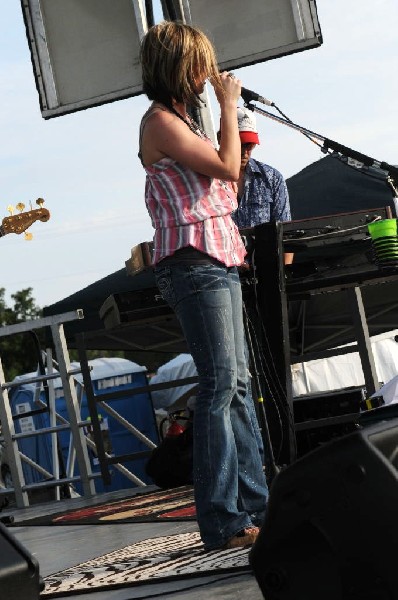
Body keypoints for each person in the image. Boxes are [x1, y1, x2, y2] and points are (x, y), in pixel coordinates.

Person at [138, 21, 268, 551]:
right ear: (180, 67)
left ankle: (257, 508)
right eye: (199, 64)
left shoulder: (185, 118)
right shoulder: (160, 122)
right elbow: (226, 169)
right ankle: (221, 520)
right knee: (219, 387)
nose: (207, 74)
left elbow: (226, 182)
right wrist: (230, 106)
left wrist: (222, 115)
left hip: (218, 255)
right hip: (194, 262)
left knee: (236, 386)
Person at [232, 106, 294, 264]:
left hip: (268, 269)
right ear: (222, 138)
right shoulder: (209, 179)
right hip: (226, 273)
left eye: (250, 145)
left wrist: (285, 274)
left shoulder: (272, 178)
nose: (245, 151)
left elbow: (285, 233)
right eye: (240, 144)